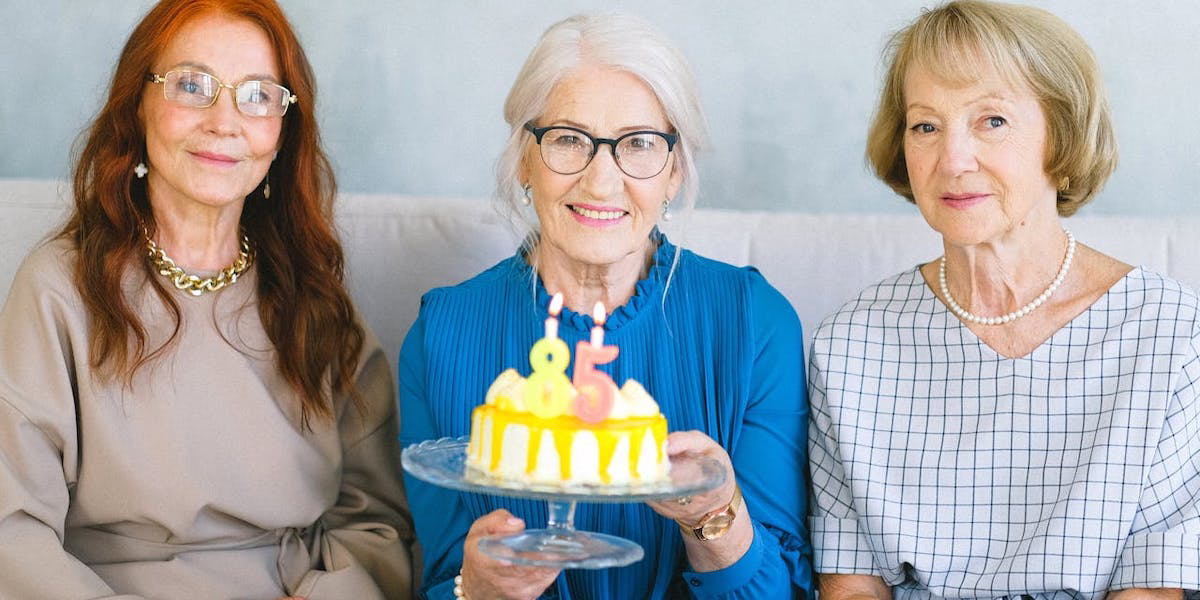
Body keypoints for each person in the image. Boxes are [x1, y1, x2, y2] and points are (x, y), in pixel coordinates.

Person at [0, 1, 416, 598]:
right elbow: (12, 530)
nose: (225, 121)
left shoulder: (314, 295)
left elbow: (374, 521)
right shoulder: (58, 289)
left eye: (257, 94)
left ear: (282, 130)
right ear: (137, 104)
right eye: (192, 86)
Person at [399, 13, 812, 600]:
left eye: (640, 144)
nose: (600, 182)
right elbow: (441, 581)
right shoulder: (440, 336)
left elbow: (784, 592)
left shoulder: (754, 325)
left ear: (674, 171)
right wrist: (480, 589)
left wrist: (715, 517)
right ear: (524, 158)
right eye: (569, 139)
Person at [807, 2, 1199, 599]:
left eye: (991, 120)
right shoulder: (849, 345)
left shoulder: (1169, 330)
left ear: (1061, 137)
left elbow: (1152, 588)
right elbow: (852, 586)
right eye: (925, 126)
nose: (952, 160)